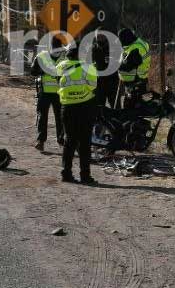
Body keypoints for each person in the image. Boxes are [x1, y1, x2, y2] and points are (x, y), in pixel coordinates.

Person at [56, 43, 98, 185]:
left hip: (67, 107)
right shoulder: (89, 67)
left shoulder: (60, 66)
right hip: (84, 107)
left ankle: (66, 173)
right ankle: (85, 176)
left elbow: (58, 82)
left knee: (69, 141)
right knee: (85, 143)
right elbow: (93, 86)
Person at [30, 45, 64, 151]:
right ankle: (41, 141)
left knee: (61, 118)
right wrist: (43, 71)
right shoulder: (41, 57)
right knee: (42, 117)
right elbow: (33, 71)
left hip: (60, 93)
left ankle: (62, 140)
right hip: (44, 92)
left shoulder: (65, 58)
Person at [118, 28, 151, 108]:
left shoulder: (136, 48)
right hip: (139, 80)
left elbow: (129, 66)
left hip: (135, 81)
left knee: (131, 109)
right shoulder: (140, 43)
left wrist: (116, 66)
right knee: (136, 108)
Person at [91, 30, 119, 109]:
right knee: (99, 105)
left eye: (101, 35)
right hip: (99, 81)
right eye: (98, 36)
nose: (99, 37)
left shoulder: (113, 47)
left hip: (112, 80)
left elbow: (121, 61)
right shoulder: (93, 48)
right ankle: (101, 121)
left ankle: (117, 120)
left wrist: (113, 61)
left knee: (115, 104)